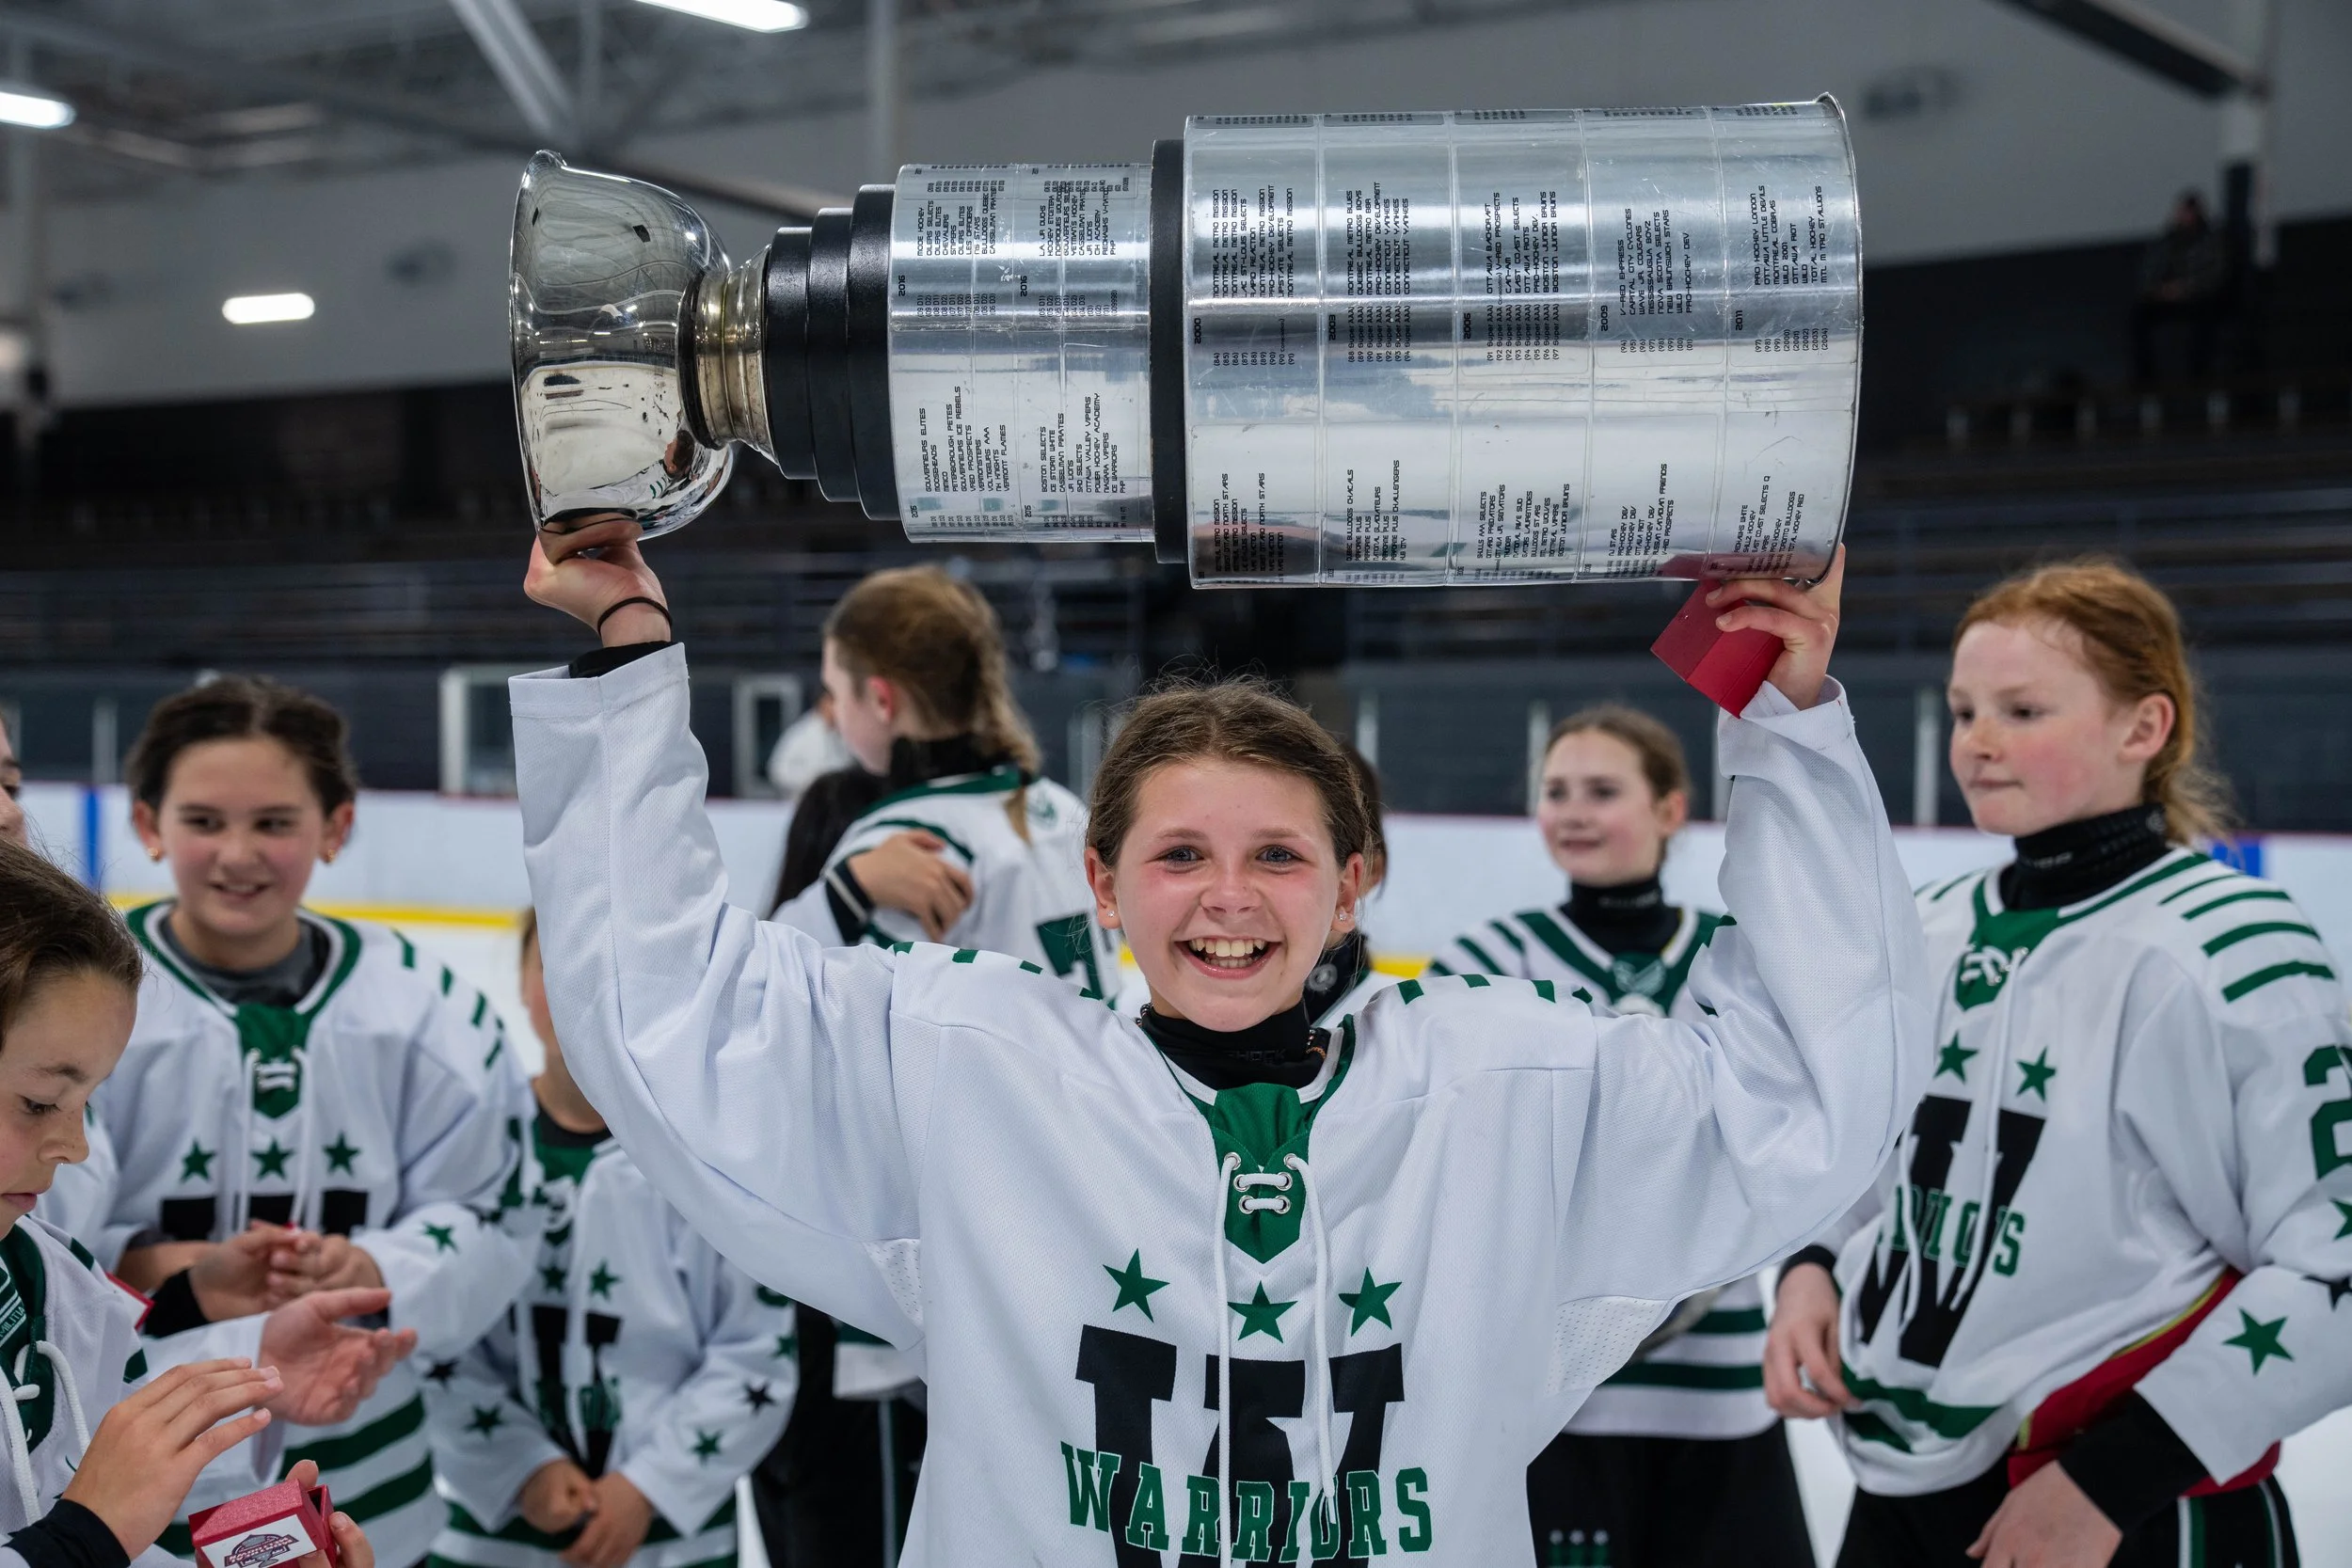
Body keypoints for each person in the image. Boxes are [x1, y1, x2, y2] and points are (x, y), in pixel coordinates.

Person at [509, 524, 1929, 1565]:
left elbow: (1807, 1087)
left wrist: (1789, 715)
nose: (1230, 897)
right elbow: (667, 1009)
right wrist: (626, 651)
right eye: (1180, 854)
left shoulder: (1504, 1087)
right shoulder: (975, 1075)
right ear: (1107, 884)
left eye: (1278, 855)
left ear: (1354, 882)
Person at [1764, 559, 2350, 1568]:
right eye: (1962, 710)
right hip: (1900, 1476)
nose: (1976, 742)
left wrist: (2109, 1482)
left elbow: (2332, 1259)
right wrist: (1809, 1267)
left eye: (2022, 708)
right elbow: (1871, 1151)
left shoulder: (2230, 946)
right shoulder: (1934, 922)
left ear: (2143, 728)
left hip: (2124, 1504)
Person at [84, 676, 533, 1566]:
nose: (238, 853)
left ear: (335, 827)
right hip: (125, 1465)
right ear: (148, 825)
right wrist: (162, 1271)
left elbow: (496, 1208)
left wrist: (374, 1266)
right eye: (204, 820)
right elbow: (35, 1221)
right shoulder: (87, 1000)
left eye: (275, 822)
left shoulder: (427, 1005)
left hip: (370, 1460)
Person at [1428, 705, 1810, 1567]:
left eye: (1602, 790)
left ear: (1671, 809)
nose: (1571, 810)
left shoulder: (1734, 960)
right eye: (1556, 790)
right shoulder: (1492, 960)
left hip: (1716, 1393)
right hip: (1557, 1397)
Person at [0, 838, 387, 1568]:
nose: (74, 1146)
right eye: (40, 1101)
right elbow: (94, 1523)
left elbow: (121, 1502)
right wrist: (83, 1537)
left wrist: (249, 1551)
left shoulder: (52, 1279)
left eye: (87, 1103)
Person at [425, 911, 796, 1568]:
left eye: (613, 968)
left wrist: (648, 1486)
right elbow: (429, 1341)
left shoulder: (711, 1162)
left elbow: (758, 1350)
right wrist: (520, 1466)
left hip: (671, 1544)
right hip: (492, 1536)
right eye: (557, 964)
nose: (582, 991)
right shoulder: (464, 1145)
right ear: (520, 980)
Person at [770, 564, 1115, 987]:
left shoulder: (904, 843)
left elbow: (785, 1007)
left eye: (837, 693)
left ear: (881, 700)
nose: (836, 715)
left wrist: (846, 892)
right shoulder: (1061, 807)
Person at [2129, 191, 2228, 385]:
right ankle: (2144, 379)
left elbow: (2215, 275)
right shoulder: (2167, 241)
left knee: (2203, 319)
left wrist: (2187, 287)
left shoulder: (2211, 241)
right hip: (2166, 298)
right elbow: (2148, 272)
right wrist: (2161, 290)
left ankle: (2199, 376)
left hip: (2198, 299)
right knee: (2138, 316)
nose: (2186, 217)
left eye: (2190, 213)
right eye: (2183, 212)